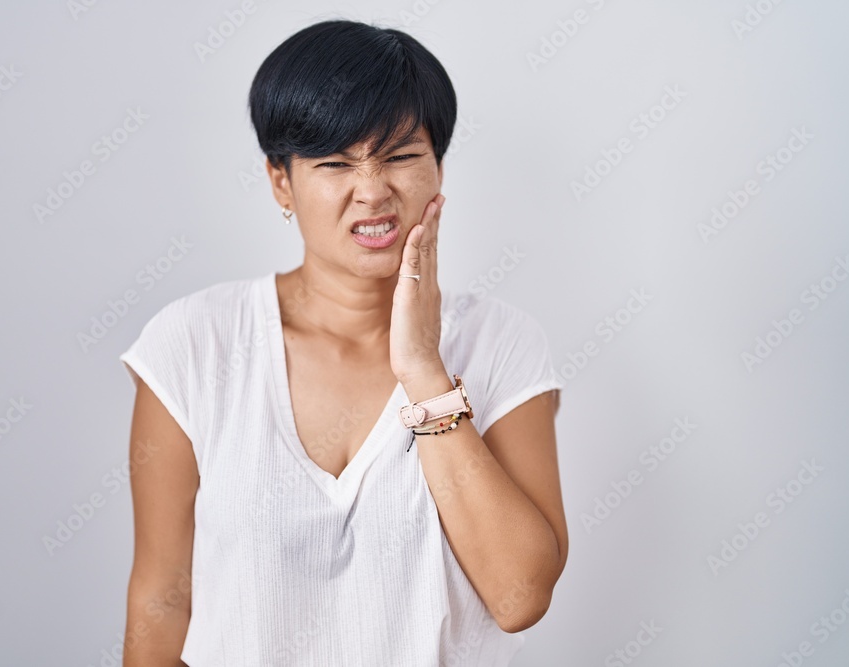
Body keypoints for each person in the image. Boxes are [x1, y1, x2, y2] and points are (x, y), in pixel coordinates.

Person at [119, 18, 568, 667]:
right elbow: (161, 597)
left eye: (401, 155)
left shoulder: (503, 342)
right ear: (281, 181)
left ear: (438, 166)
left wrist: (423, 369)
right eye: (335, 162)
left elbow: (519, 595)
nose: (373, 190)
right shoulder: (194, 344)